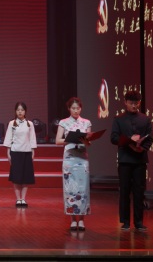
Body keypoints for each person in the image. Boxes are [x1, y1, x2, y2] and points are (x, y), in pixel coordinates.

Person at [110, 90, 152, 231]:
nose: (134, 105)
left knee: (139, 191)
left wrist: (142, 148)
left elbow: (150, 138)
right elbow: (114, 138)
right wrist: (129, 140)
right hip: (125, 160)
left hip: (140, 159)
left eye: (136, 103)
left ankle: (139, 222)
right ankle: (125, 221)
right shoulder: (119, 119)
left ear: (139, 103)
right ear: (125, 103)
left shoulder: (145, 119)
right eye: (131, 103)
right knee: (125, 191)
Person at [55, 96, 92, 231]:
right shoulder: (64, 122)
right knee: (70, 189)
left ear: (81, 108)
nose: (76, 110)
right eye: (73, 108)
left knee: (83, 189)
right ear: (69, 109)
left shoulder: (86, 122)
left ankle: (81, 219)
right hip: (70, 159)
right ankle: (72, 219)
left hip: (82, 158)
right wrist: (70, 139)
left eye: (78, 108)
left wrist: (85, 140)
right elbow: (57, 141)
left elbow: (89, 142)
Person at [2, 101, 37, 207]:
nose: (20, 112)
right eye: (18, 110)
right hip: (15, 152)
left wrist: (33, 151)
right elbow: (8, 138)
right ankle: (18, 199)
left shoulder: (29, 124)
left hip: (27, 152)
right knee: (16, 177)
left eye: (22, 110)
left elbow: (32, 138)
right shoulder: (12, 123)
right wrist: (8, 152)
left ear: (25, 111)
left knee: (26, 177)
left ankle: (23, 199)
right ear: (15, 111)